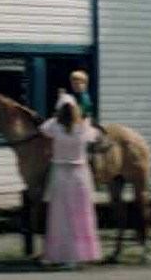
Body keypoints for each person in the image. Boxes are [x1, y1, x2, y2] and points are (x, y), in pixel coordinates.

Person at [40, 95, 102, 269]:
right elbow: (97, 136)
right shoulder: (84, 127)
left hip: (60, 173)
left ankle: (59, 255)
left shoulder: (54, 126)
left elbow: (43, 128)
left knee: (60, 217)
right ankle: (80, 254)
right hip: (79, 174)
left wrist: (58, 110)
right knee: (80, 216)